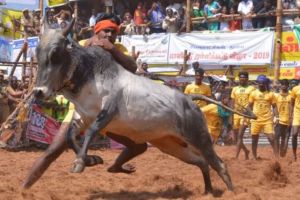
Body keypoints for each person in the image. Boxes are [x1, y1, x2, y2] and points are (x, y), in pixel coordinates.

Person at [22, 14, 143, 189]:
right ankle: (23, 189)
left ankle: (115, 166)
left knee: (139, 147)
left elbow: (132, 67)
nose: (110, 35)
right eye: (106, 31)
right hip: (81, 109)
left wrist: (112, 49)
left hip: (108, 114)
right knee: (52, 151)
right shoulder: (84, 45)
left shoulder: (119, 48)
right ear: (97, 31)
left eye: (114, 32)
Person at [248, 75, 278, 160]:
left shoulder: (270, 94)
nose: (260, 84)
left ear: (265, 83)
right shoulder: (253, 93)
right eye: (259, 83)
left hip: (267, 119)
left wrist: (277, 117)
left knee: (271, 138)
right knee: (254, 140)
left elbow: (274, 106)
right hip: (255, 120)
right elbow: (249, 107)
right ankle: (254, 157)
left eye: (262, 83)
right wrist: (251, 114)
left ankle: (277, 157)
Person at [231, 71, 255, 159]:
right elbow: (232, 102)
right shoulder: (235, 89)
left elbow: (252, 101)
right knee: (236, 138)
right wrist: (231, 114)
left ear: (247, 79)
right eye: (241, 78)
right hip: (236, 114)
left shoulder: (252, 89)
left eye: (244, 78)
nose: (242, 79)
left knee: (240, 135)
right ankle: (246, 151)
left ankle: (236, 156)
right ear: (239, 79)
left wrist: (248, 111)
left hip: (245, 115)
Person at [274, 79, 292, 157]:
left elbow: (292, 107)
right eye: (282, 84)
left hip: (288, 119)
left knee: (286, 137)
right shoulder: (276, 95)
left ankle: (283, 152)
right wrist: (276, 118)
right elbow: (274, 107)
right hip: (279, 120)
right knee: (277, 137)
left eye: (285, 84)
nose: (284, 86)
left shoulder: (291, 96)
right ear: (280, 86)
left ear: (288, 86)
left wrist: (291, 118)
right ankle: (277, 154)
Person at [291, 79, 300, 161]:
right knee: (294, 134)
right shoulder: (295, 89)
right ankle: (294, 154)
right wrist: (291, 115)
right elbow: (292, 103)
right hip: (297, 114)